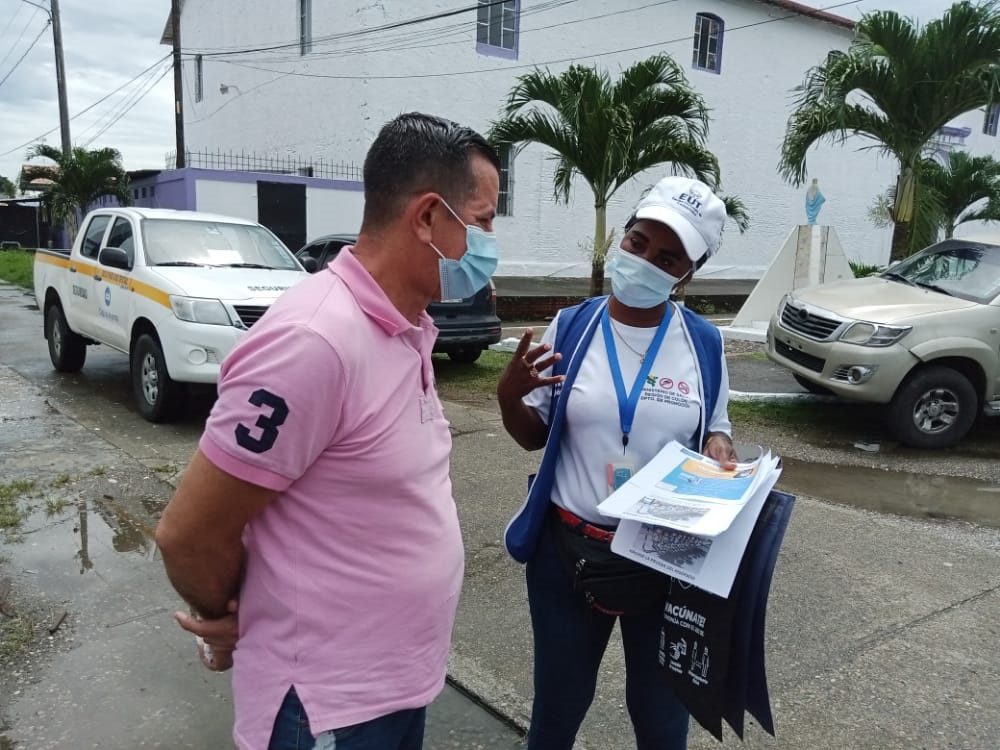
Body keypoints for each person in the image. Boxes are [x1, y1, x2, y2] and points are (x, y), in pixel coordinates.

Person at [154, 112, 501, 750]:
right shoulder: (314, 341)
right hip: (325, 707)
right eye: (480, 221)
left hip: (396, 684)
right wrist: (227, 614)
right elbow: (190, 533)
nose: (488, 242)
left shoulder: (405, 327)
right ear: (427, 217)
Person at [497, 175, 738, 750]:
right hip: (567, 556)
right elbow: (533, 436)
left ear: (688, 273)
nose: (644, 260)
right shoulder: (572, 328)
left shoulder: (703, 343)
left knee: (660, 718)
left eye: (667, 256)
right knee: (557, 709)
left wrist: (720, 449)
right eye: (637, 242)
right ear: (621, 238)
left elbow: (716, 428)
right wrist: (509, 395)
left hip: (664, 560)